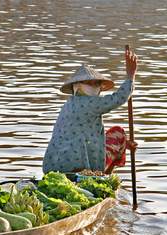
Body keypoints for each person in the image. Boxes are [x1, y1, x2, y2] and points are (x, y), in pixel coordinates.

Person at [42, 46, 138, 174]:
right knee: (118, 133)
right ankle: (102, 176)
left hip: (52, 165)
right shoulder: (89, 103)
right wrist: (130, 76)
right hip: (75, 167)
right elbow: (119, 98)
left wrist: (124, 144)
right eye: (89, 83)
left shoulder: (68, 104)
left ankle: (103, 175)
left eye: (96, 83)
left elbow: (86, 135)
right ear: (77, 86)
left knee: (117, 137)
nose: (94, 87)